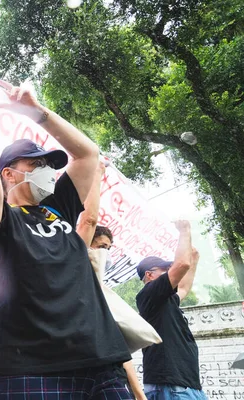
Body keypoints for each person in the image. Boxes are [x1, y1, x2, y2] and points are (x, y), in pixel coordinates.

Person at [0, 58, 131, 399]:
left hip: (97, 362)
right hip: (25, 370)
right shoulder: (1, 222)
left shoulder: (57, 209)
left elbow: (88, 155)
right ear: (9, 173)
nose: (48, 171)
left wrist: (36, 112)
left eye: (49, 165)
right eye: (36, 164)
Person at [75, 162, 147, 400]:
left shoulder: (101, 292)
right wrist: (97, 174)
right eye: (100, 247)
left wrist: (139, 394)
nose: (104, 254)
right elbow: (89, 220)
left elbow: (121, 352)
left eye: (108, 248)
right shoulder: (74, 265)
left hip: (107, 370)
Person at [135, 221, 203, 400]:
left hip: (186, 385)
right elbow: (181, 265)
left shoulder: (167, 300)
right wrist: (184, 231)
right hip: (170, 386)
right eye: (165, 269)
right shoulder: (148, 294)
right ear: (149, 275)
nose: (169, 271)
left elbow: (184, 286)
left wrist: (192, 256)